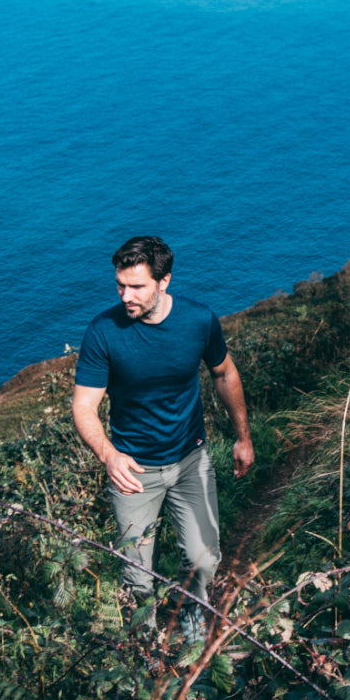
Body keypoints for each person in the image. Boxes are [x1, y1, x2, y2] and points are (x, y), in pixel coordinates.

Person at [72, 236, 254, 643]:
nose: (125, 296)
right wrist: (109, 455)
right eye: (120, 285)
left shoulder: (198, 320)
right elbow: (84, 407)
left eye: (136, 286)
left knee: (203, 560)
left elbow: (224, 373)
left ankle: (192, 619)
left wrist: (243, 437)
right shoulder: (103, 331)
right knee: (136, 574)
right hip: (133, 471)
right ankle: (145, 650)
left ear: (164, 281)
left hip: (191, 459)